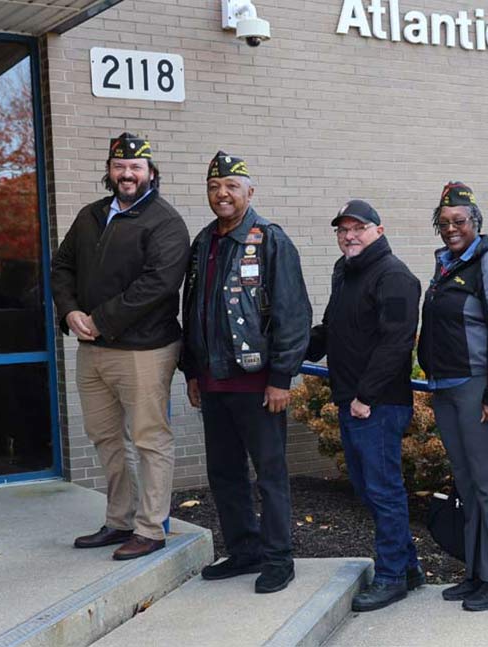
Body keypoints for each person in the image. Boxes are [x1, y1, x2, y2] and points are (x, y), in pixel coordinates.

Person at [50, 132, 190, 560]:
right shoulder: (91, 215)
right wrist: (71, 312)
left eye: (135, 167)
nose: (126, 174)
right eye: (119, 166)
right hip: (92, 350)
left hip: (143, 350)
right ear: (109, 171)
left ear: (150, 172)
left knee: (149, 440)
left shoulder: (165, 222)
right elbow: (62, 265)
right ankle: (119, 520)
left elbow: (159, 284)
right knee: (106, 438)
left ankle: (150, 529)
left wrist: (100, 319)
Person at [180, 152, 311, 594]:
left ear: (249, 192)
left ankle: (279, 559)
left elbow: (294, 313)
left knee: (269, 475)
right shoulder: (203, 243)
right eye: (215, 186)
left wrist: (281, 378)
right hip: (213, 383)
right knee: (225, 473)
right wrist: (192, 372)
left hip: (259, 385)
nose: (223, 193)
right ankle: (243, 551)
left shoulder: (270, 240)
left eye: (232, 186)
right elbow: (193, 310)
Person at [306, 199, 424, 612]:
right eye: (343, 230)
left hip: (377, 405)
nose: (350, 236)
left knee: (383, 490)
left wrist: (365, 396)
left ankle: (391, 576)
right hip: (352, 401)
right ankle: (407, 566)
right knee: (368, 488)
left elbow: (397, 342)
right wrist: (286, 351)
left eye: (358, 228)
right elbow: (332, 328)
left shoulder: (394, 277)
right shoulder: (346, 271)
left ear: (378, 229)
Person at [417, 182, 488, 612]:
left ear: (476, 223)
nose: (450, 228)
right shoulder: (444, 266)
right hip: (446, 388)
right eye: (443, 223)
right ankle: (477, 571)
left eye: (459, 221)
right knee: (467, 484)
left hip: (480, 389)